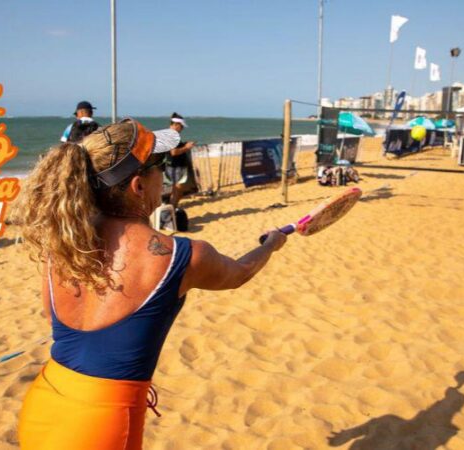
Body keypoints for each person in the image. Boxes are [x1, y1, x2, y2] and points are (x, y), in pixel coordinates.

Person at [16, 119, 287, 450]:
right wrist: (271, 243)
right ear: (138, 186)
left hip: (44, 401)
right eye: (161, 165)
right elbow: (241, 272)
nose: (165, 173)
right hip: (102, 423)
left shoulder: (64, 242)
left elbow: (52, 316)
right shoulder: (181, 255)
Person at [165, 113, 196, 209]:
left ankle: (172, 209)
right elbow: (173, 152)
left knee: (177, 191)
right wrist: (186, 147)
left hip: (174, 166)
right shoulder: (171, 135)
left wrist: (184, 145)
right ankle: (172, 210)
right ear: (176, 124)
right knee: (177, 191)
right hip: (175, 167)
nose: (182, 129)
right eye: (181, 127)